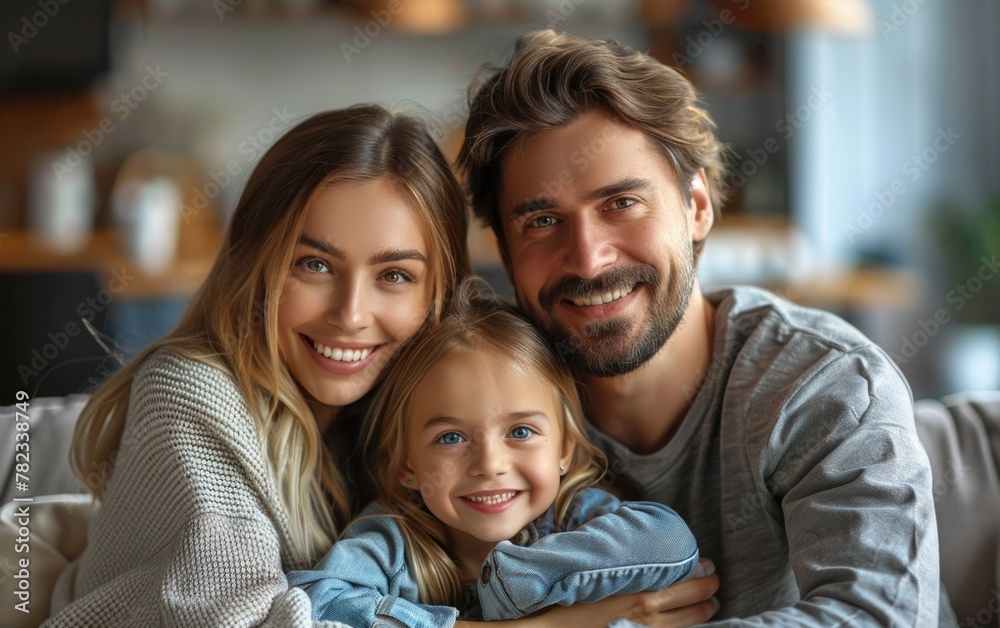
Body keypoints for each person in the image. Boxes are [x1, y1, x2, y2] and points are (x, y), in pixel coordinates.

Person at [458, 29, 941, 625]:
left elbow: (876, 618)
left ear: (698, 205)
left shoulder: (824, 385)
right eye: (542, 220)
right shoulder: (477, 401)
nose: (587, 259)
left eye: (621, 204)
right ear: (504, 251)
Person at [43, 105, 473, 626]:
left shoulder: (415, 422)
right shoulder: (188, 393)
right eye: (314, 265)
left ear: (438, 294)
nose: (351, 315)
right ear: (256, 265)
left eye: (395, 275)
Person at [286, 281, 705, 627]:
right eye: (451, 438)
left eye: (520, 431)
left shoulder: (576, 517)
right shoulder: (392, 543)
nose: (489, 464)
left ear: (564, 450)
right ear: (406, 465)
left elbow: (670, 541)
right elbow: (316, 602)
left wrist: (517, 578)